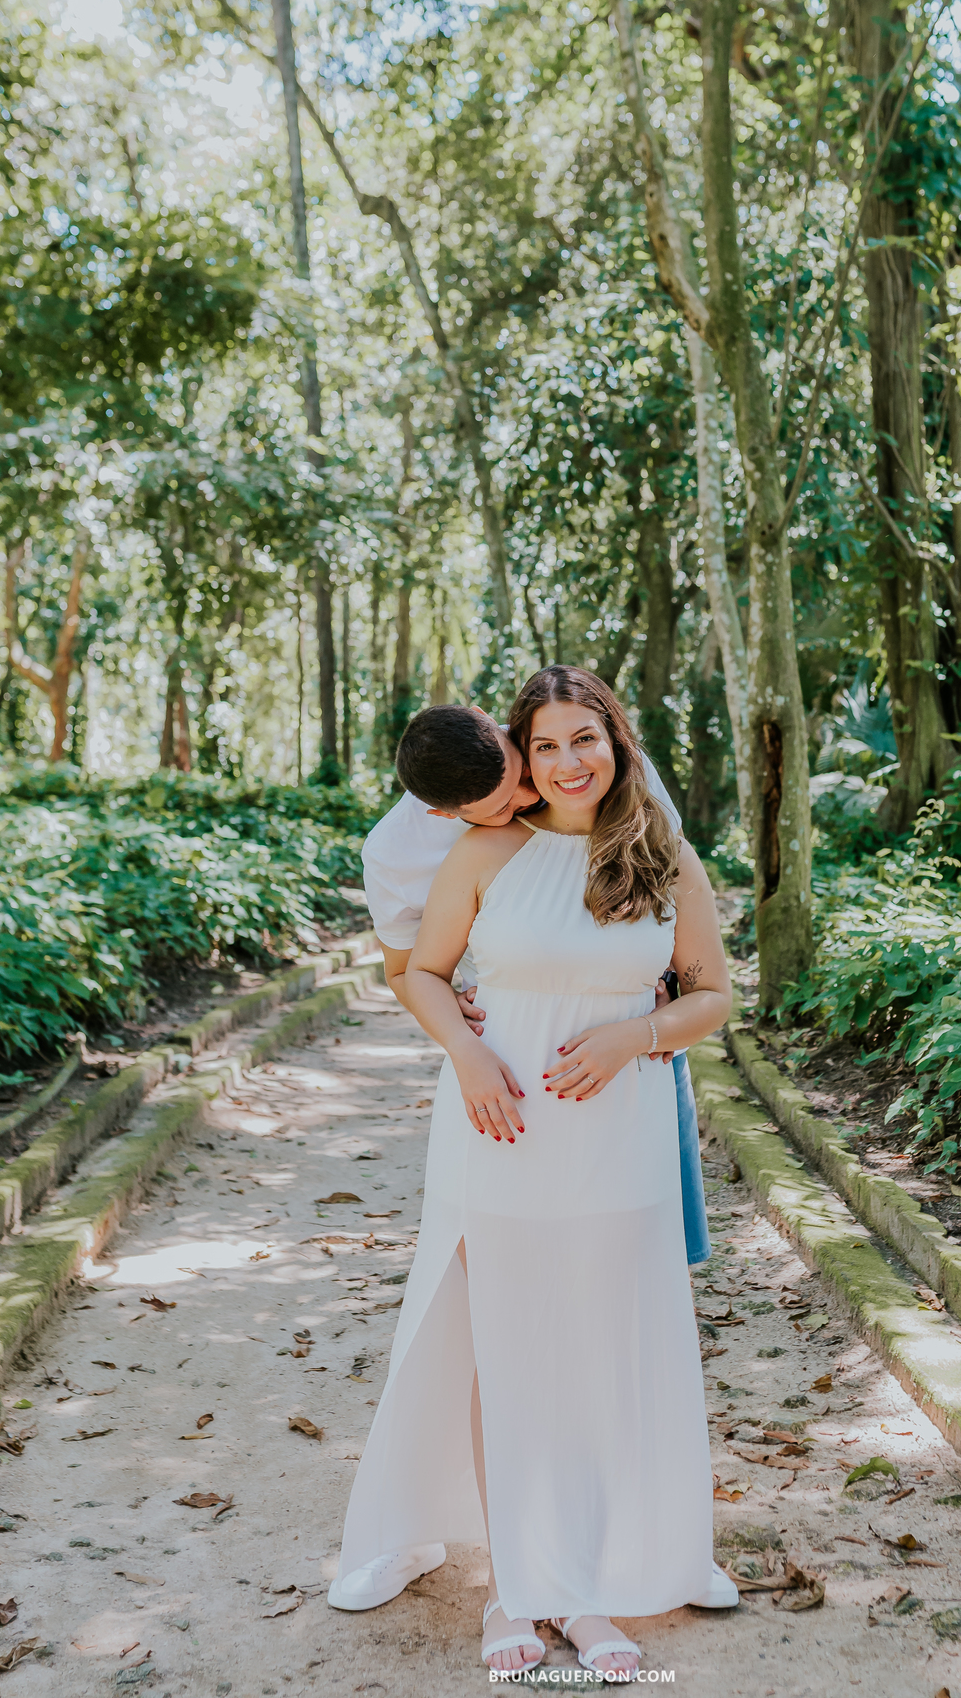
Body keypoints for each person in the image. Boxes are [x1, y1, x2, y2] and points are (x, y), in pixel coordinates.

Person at [331, 667, 736, 1676]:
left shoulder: (658, 848)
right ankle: (518, 1583)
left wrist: (637, 1034)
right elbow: (420, 970)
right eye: (544, 745)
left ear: (615, 737)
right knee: (504, 1350)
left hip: (621, 1140)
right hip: (498, 1137)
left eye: (582, 739)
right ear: (519, 752)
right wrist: (466, 1051)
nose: (564, 763)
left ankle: (589, 1589)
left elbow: (713, 995)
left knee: (603, 1354)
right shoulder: (481, 850)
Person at [360, 700, 711, 1270]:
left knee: (649, 1240)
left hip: (627, 1025)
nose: (531, 796)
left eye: (522, 771)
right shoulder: (396, 854)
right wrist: (464, 1047)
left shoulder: (572, 751)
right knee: (515, 1249)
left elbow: (663, 881)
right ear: (447, 817)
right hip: (510, 1049)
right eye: (502, 808)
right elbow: (407, 972)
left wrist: (667, 986)